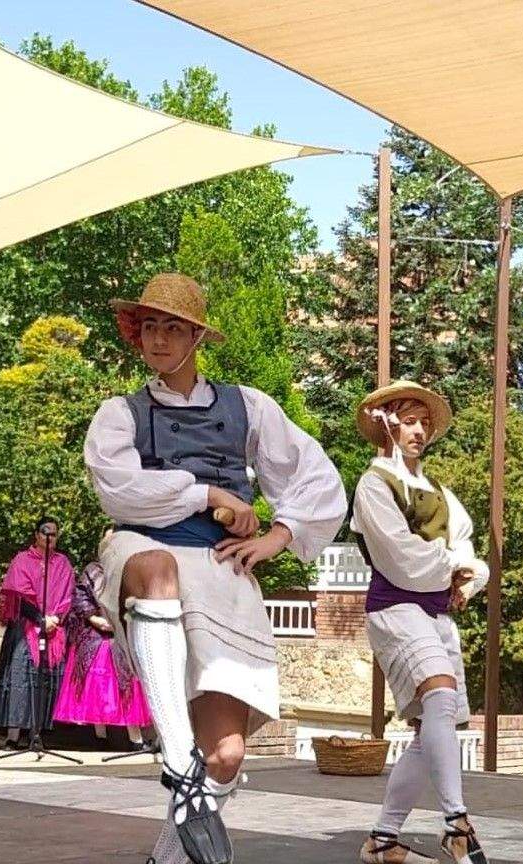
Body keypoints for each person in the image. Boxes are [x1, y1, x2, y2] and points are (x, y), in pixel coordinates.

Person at [83, 273, 345, 864]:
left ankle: (166, 856)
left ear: (196, 336)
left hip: (220, 567)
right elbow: (120, 492)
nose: (158, 338)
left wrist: (280, 534)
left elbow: (316, 476)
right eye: (149, 325)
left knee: (225, 756)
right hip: (143, 547)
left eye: (172, 327)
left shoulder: (248, 406)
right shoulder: (120, 414)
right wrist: (208, 495)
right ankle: (177, 754)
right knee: (156, 570)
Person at [349, 381, 489, 864]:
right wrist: (453, 565)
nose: (420, 431)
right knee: (442, 697)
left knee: (434, 723)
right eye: (410, 420)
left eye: (425, 423)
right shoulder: (373, 484)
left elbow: (469, 550)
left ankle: (383, 840)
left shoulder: (443, 494)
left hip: (437, 615)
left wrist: (468, 578)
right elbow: (401, 558)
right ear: (386, 424)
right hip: (394, 609)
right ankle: (456, 824)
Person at [0, 517, 73, 748]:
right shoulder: (22, 560)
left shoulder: (63, 563)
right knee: (19, 679)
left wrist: (54, 619)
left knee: (46, 681)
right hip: (25, 626)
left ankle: (39, 734)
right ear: (36, 534)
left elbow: (67, 596)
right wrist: (39, 619)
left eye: (54, 533)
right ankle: (13, 736)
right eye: (45, 532)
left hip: (54, 627)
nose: (49, 537)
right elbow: (18, 596)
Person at [52, 562, 153, 751]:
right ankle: (100, 736)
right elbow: (80, 596)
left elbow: (138, 600)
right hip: (94, 635)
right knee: (96, 686)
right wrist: (93, 618)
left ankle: (136, 740)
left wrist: (123, 621)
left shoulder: (128, 570)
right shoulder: (92, 571)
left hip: (122, 634)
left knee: (128, 686)